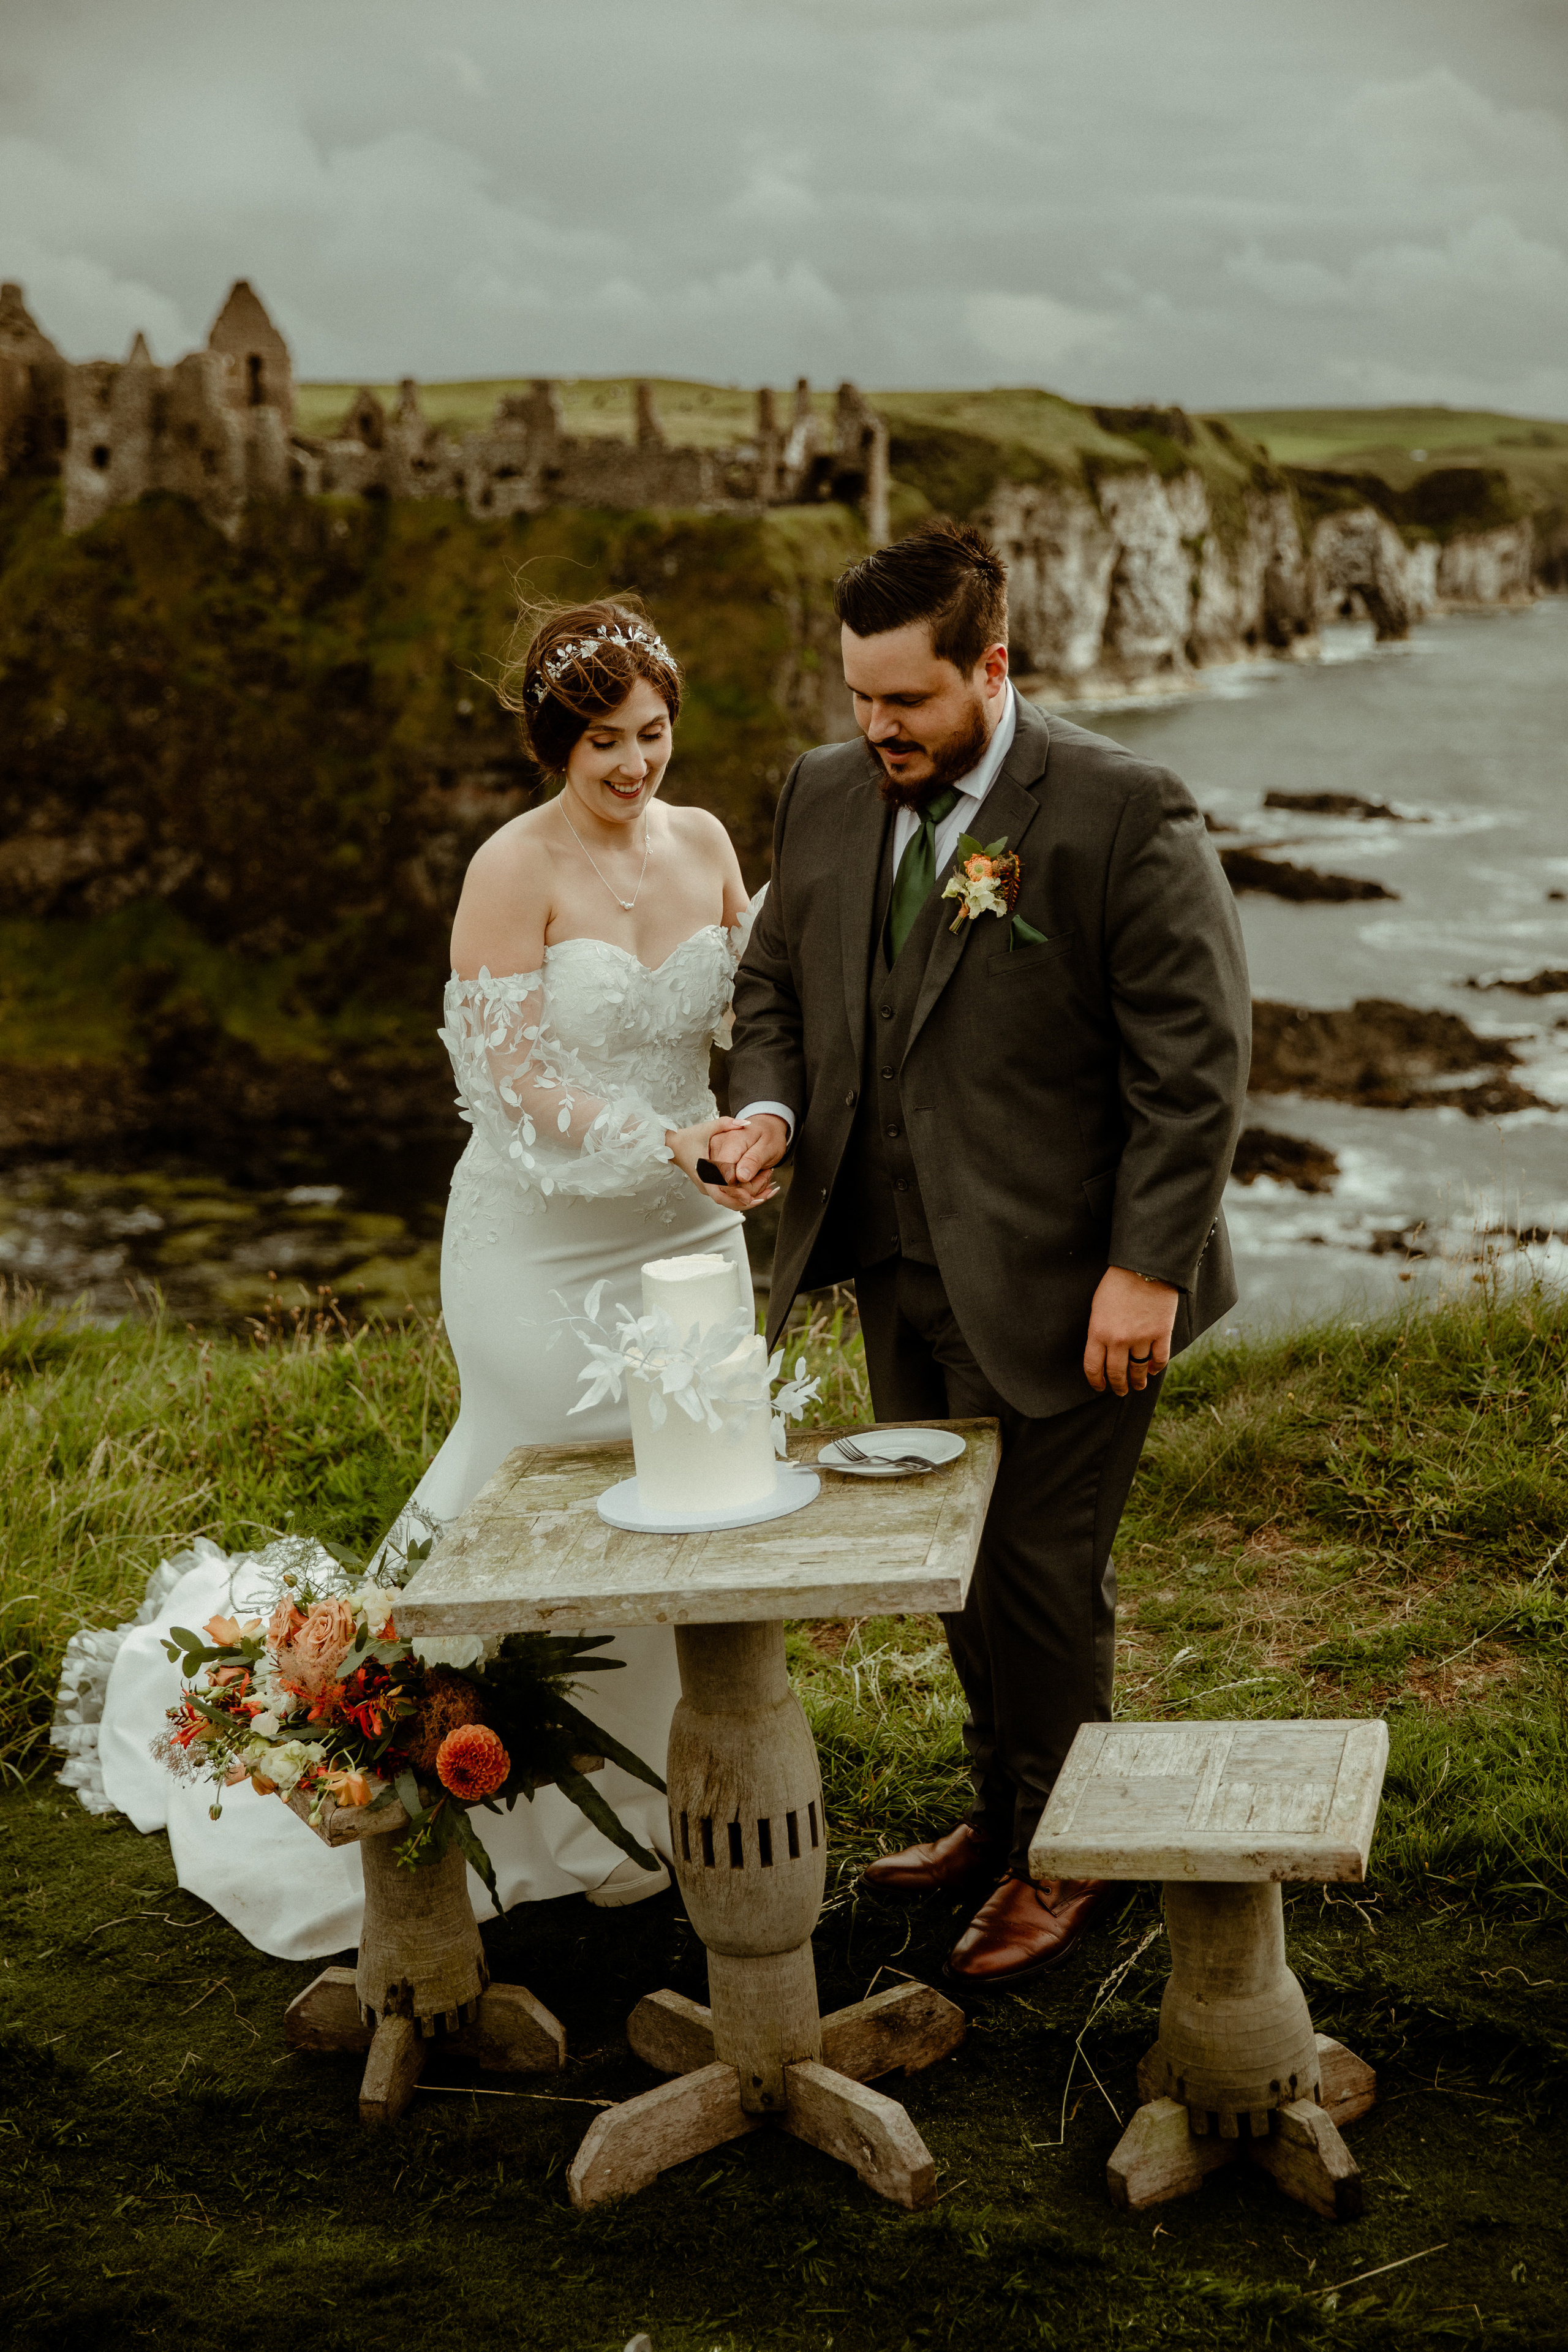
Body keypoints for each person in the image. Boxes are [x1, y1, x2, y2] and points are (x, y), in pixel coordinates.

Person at [55, 598, 773, 1961]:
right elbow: (516, 1079)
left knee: (683, 1480)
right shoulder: (511, 866)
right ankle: (420, 1746)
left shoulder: (708, 841)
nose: (635, 764)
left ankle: (653, 1800)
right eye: (605, 743)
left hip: (689, 1239)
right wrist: (663, 1138)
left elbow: (757, 1002)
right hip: (539, 1244)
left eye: (652, 734)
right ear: (554, 747)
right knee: (546, 1466)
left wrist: (750, 1126)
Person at [716, 519, 1250, 1991]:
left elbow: (1193, 1062)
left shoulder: (1117, 808)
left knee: (1038, 1570)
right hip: (896, 1267)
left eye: (906, 700)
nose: (874, 726)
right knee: (950, 1557)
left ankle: (1067, 1854)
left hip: (1076, 1285)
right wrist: (767, 1112)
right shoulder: (822, 792)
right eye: (856, 695)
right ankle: (1004, 1813)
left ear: (991, 669)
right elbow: (772, 984)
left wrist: (1147, 1267)